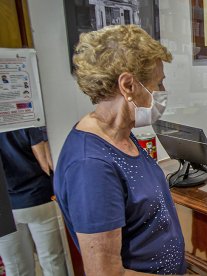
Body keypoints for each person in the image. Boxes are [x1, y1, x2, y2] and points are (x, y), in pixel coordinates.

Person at [53, 25, 186, 275]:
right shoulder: (90, 166)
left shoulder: (122, 135)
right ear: (127, 85)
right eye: (158, 82)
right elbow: (106, 273)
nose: (162, 92)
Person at [0, 127, 67, 276]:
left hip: (3, 207)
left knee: (16, 267)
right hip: (38, 198)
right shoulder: (28, 117)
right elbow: (47, 162)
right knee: (52, 261)